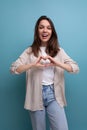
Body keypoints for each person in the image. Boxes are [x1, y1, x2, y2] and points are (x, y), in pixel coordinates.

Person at [10, 15, 79, 130]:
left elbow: (75, 68)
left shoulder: (59, 51)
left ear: (52, 31)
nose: (45, 30)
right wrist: (32, 65)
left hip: (54, 95)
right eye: (41, 27)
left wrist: (57, 63)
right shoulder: (29, 51)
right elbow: (13, 69)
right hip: (35, 95)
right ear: (37, 30)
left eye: (48, 28)